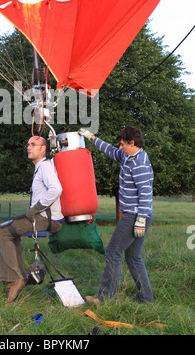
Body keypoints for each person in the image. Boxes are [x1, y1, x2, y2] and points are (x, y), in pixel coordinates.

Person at [78, 125, 154, 304]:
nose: (120, 147)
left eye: (123, 144)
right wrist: (91, 138)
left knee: (113, 252)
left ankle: (104, 297)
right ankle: (146, 298)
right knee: (133, 257)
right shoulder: (128, 156)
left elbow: (145, 193)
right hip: (136, 215)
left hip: (136, 215)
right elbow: (111, 151)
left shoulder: (139, 163)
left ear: (132, 142)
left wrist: (141, 220)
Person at [0, 136, 64, 303]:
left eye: (33, 145)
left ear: (43, 149)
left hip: (46, 219)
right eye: (28, 144)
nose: (28, 147)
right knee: (8, 231)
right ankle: (18, 277)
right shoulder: (40, 167)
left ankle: (16, 279)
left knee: (2, 234)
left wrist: (35, 209)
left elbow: (56, 189)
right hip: (42, 216)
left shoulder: (45, 166)